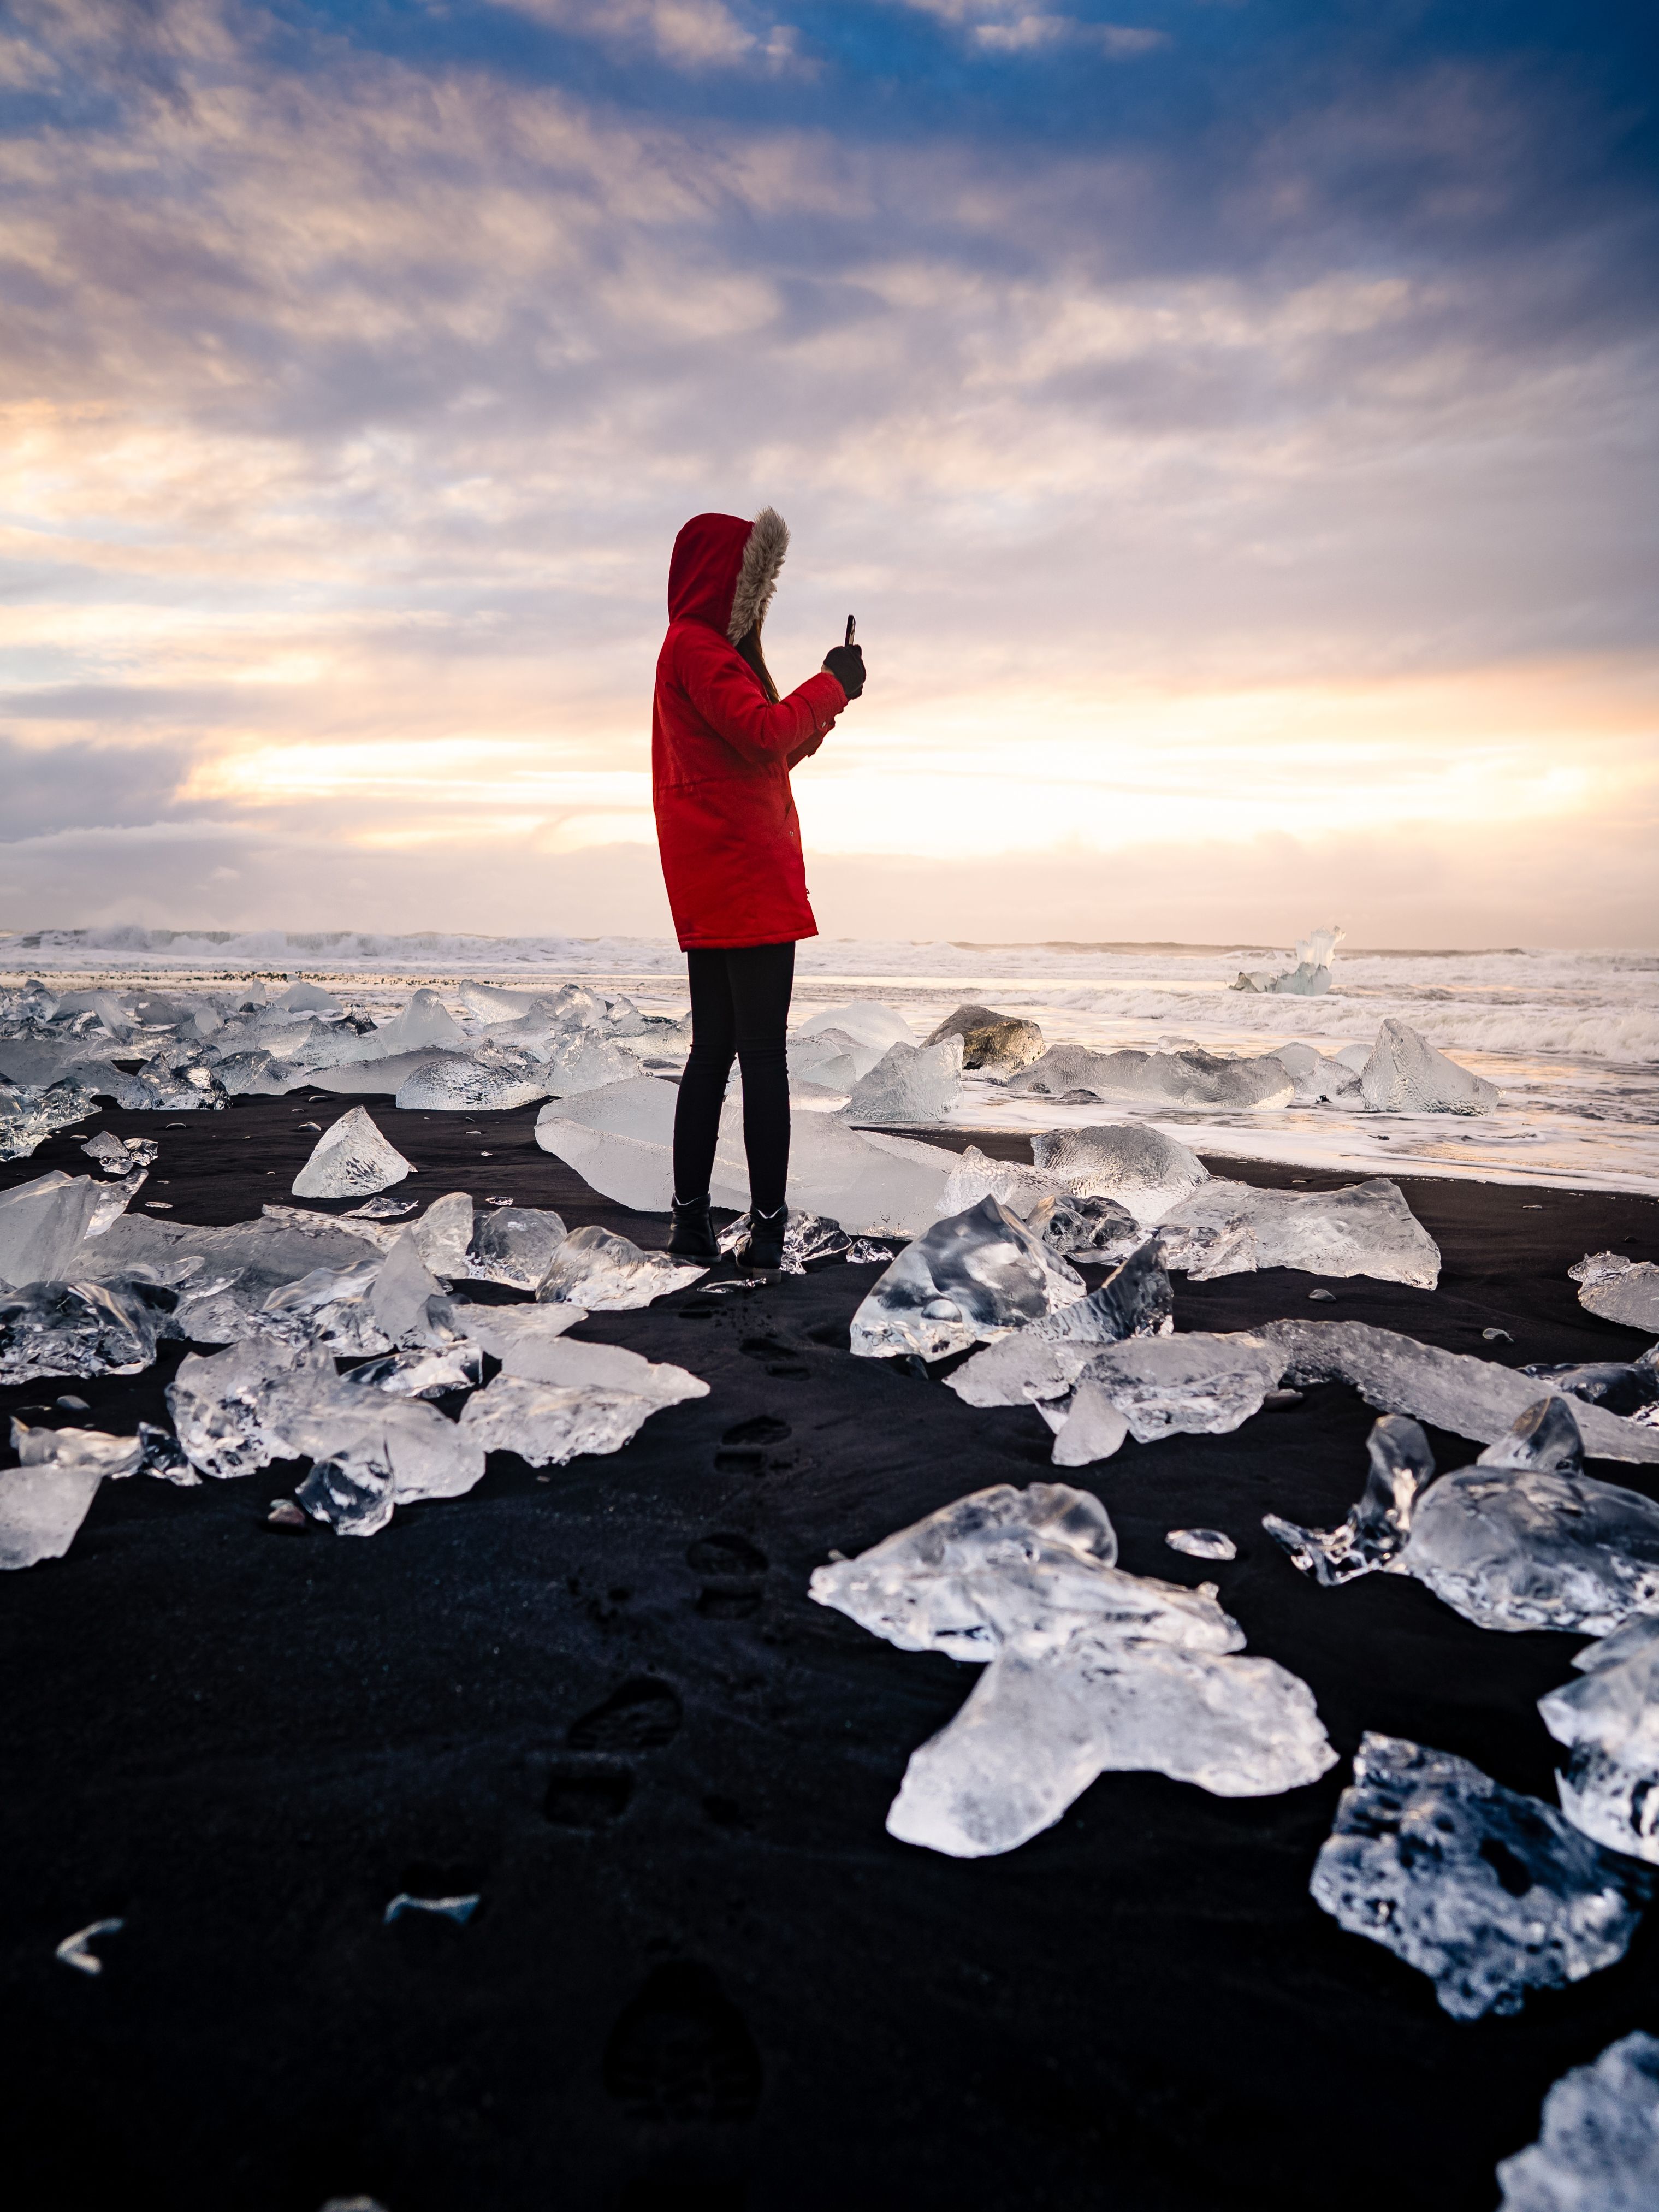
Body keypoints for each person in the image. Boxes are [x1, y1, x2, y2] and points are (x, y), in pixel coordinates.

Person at [651, 507, 866, 1270]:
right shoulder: (699, 648)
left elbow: (761, 751)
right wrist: (830, 686)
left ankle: (690, 1223)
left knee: (712, 1050)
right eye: (752, 581)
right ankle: (767, 1233)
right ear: (727, 580)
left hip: (713, 877)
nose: (755, 601)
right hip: (746, 877)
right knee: (758, 1053)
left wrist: (827, 706)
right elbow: (766, 735)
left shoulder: (693, 651)